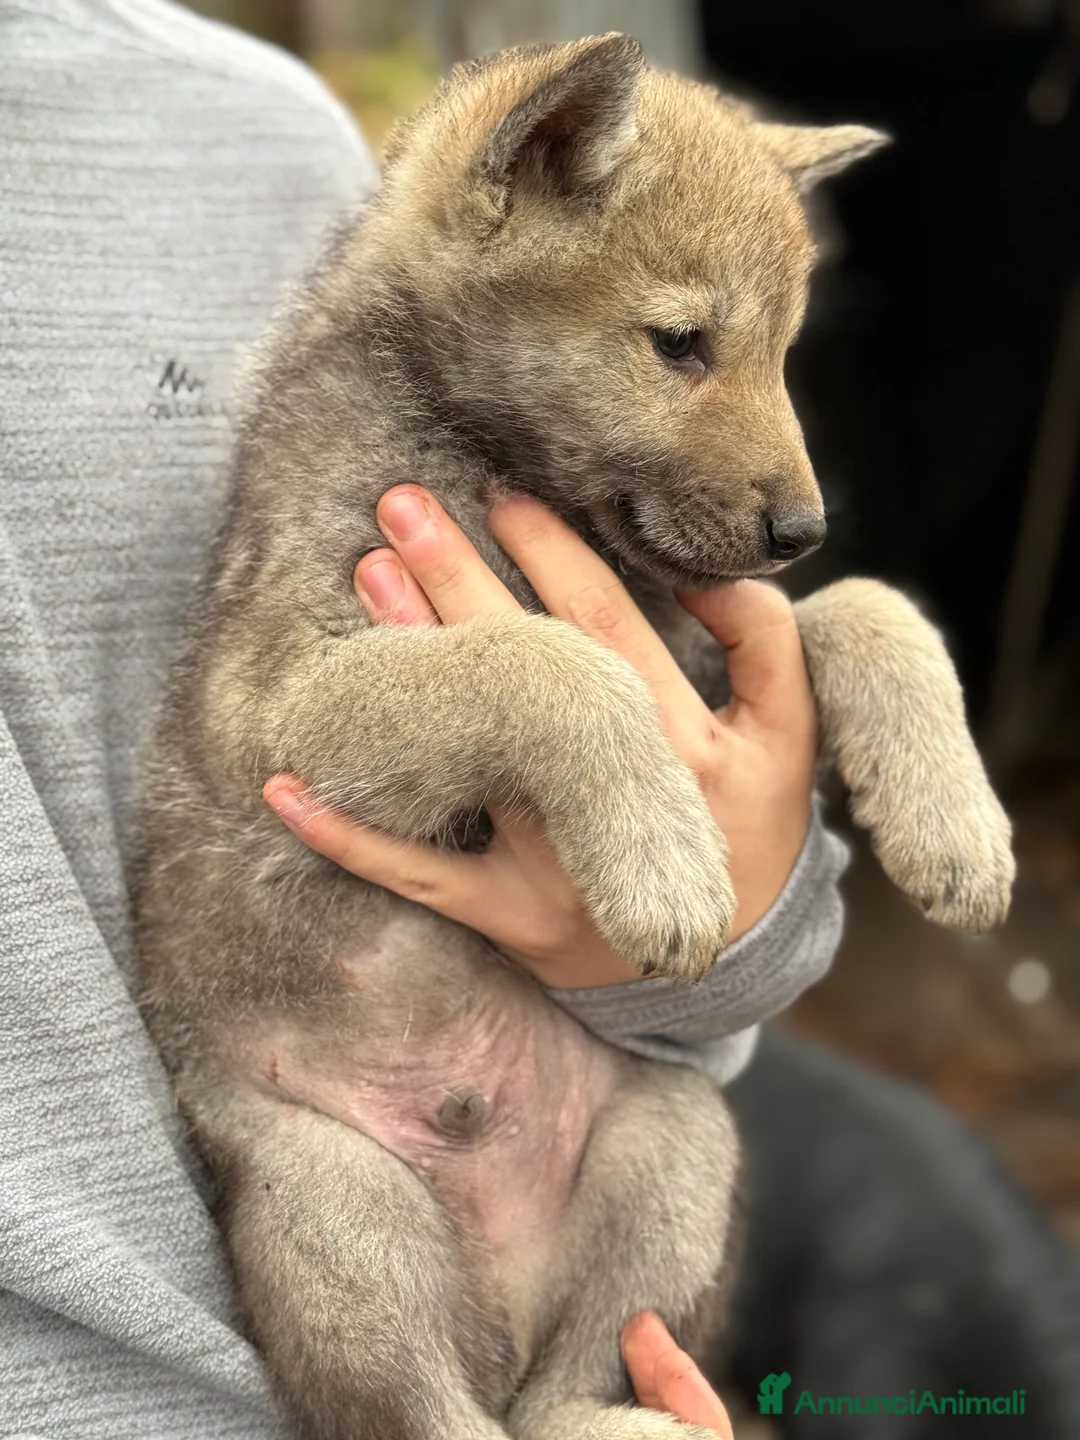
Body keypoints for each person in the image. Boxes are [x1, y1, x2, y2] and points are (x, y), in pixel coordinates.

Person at [0, 0, 847, 1431]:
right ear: (531, 164)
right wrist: (573, 727)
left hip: (546, 1115)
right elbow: (293, 727)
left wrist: (736, 943)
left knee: (679, 1144)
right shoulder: (376, 356)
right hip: (269, 1233)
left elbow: (681, 890)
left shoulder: (248, 139)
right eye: (685, 346)